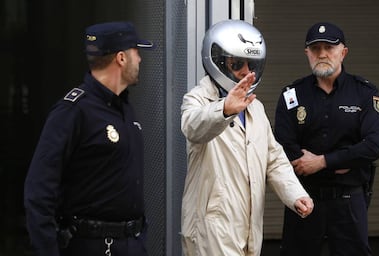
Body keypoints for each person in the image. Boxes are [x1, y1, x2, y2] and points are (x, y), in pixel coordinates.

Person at [180, 19, 314, 256]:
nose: (245, 72)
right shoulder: (198, 99)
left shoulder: (255, 108)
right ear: (218, 62)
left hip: (250, 226)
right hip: (212, 227)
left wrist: (296, 195)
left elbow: (274, 158)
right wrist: (224, 109)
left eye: (250, 64)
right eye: (236, 64)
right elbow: (193, 127)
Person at [24, 21, 154, 256]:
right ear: (121, 58)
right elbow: (39, 193)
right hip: (91, 246)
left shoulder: (126, 110)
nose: (140, 60)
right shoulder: (73, 112)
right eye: (137, 52)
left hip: (132, 245)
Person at [274, 22, 379, 256]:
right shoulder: (291, 95)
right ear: (307, 54)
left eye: (329, 47)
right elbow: (283, 147)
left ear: (343, 52)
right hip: (304, 198)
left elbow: (373, 146)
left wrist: (323, 161)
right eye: (315, 49)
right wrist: (344, 161)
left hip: (349, 201)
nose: (322, 54)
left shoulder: (364, 93)